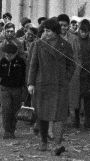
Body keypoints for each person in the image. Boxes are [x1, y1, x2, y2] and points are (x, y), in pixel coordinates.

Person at [27, 18, 75, 153]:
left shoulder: (65, 45)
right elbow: (33, 65)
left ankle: (58, 144)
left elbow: (72, 65)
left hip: (60, 85)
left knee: (59, 114)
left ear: (55, 31)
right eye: (45, 31)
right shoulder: (39, 44)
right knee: (42, 114)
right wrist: (31, 83)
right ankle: (43, 141)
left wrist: (66, 78)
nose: (46, 33)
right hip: (42, 84)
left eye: (49, 31)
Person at [0, 40, 27, 138]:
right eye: (6, 54)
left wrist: (24, 88)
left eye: (10, 55)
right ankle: (6, 130)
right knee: (6, 108)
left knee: (15, 109)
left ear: (15, 53)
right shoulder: (3, 61)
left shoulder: (21, 62)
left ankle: (12, 129)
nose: (7, 56)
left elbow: (24, 76)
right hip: (4, 88)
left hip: (17, 89)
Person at [76, 19, 90, 128]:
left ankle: (88, 120)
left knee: (88, 97)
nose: (84, 33)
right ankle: (76, 120)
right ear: (79, 30)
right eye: (82, 31)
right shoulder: (75, 41)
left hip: (89, 72)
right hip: (77, 72)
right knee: (76, 97)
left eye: (86, 31)